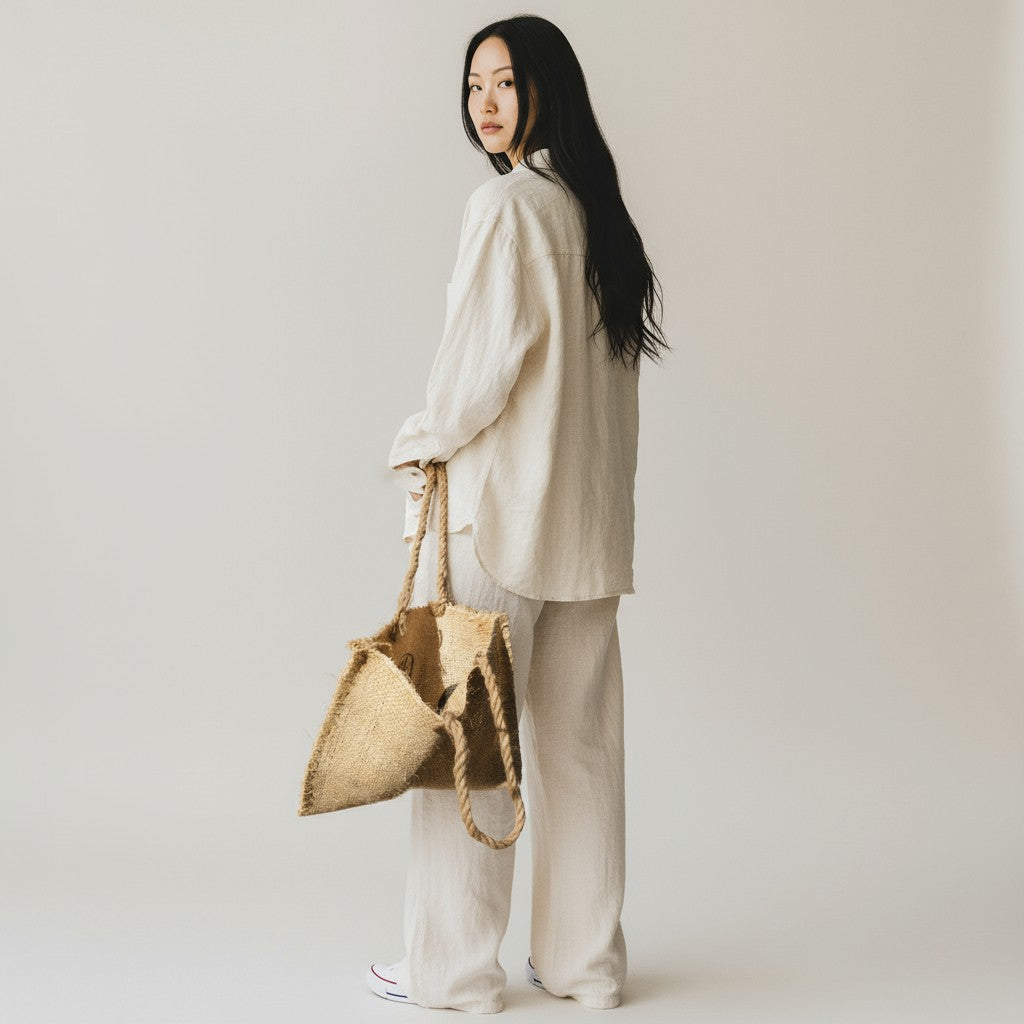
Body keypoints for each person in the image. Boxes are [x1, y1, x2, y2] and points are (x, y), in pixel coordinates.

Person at [368, 14, 669, 1014]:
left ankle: (452, 973)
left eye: (504, 81)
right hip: (587, 535)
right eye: (473, 87)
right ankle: (584, 968)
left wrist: (415, 443)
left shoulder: (511, 208)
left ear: (550, 88)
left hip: (495, 525)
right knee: (581, 756)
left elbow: (472, 381)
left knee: (469, 754)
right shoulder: (606, 224)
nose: (484, 103)